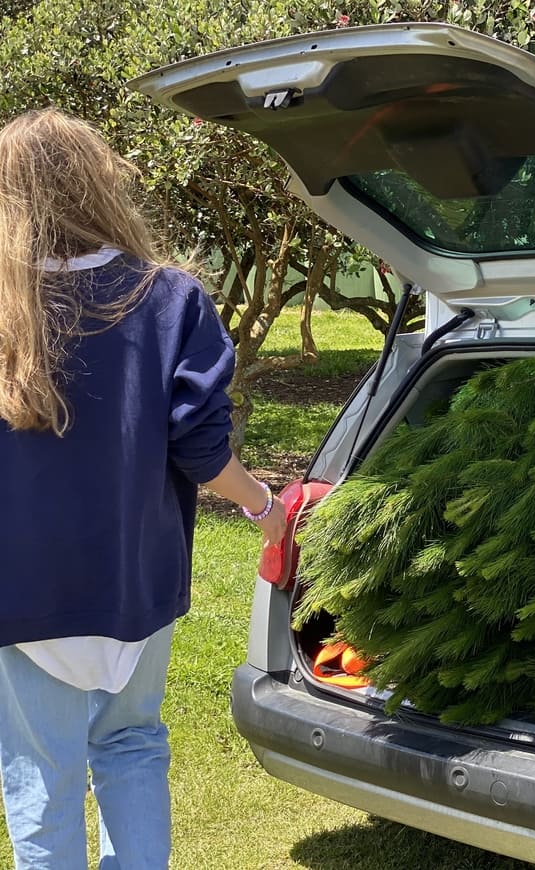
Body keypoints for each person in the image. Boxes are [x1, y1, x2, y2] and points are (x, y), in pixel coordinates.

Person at [0, 108, 287, 869]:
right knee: (130, 745)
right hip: (137, 585)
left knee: (43, 776)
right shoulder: (169, 298)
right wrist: (264, 506)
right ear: (100, 183)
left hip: (24, 594)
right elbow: (203, 450)